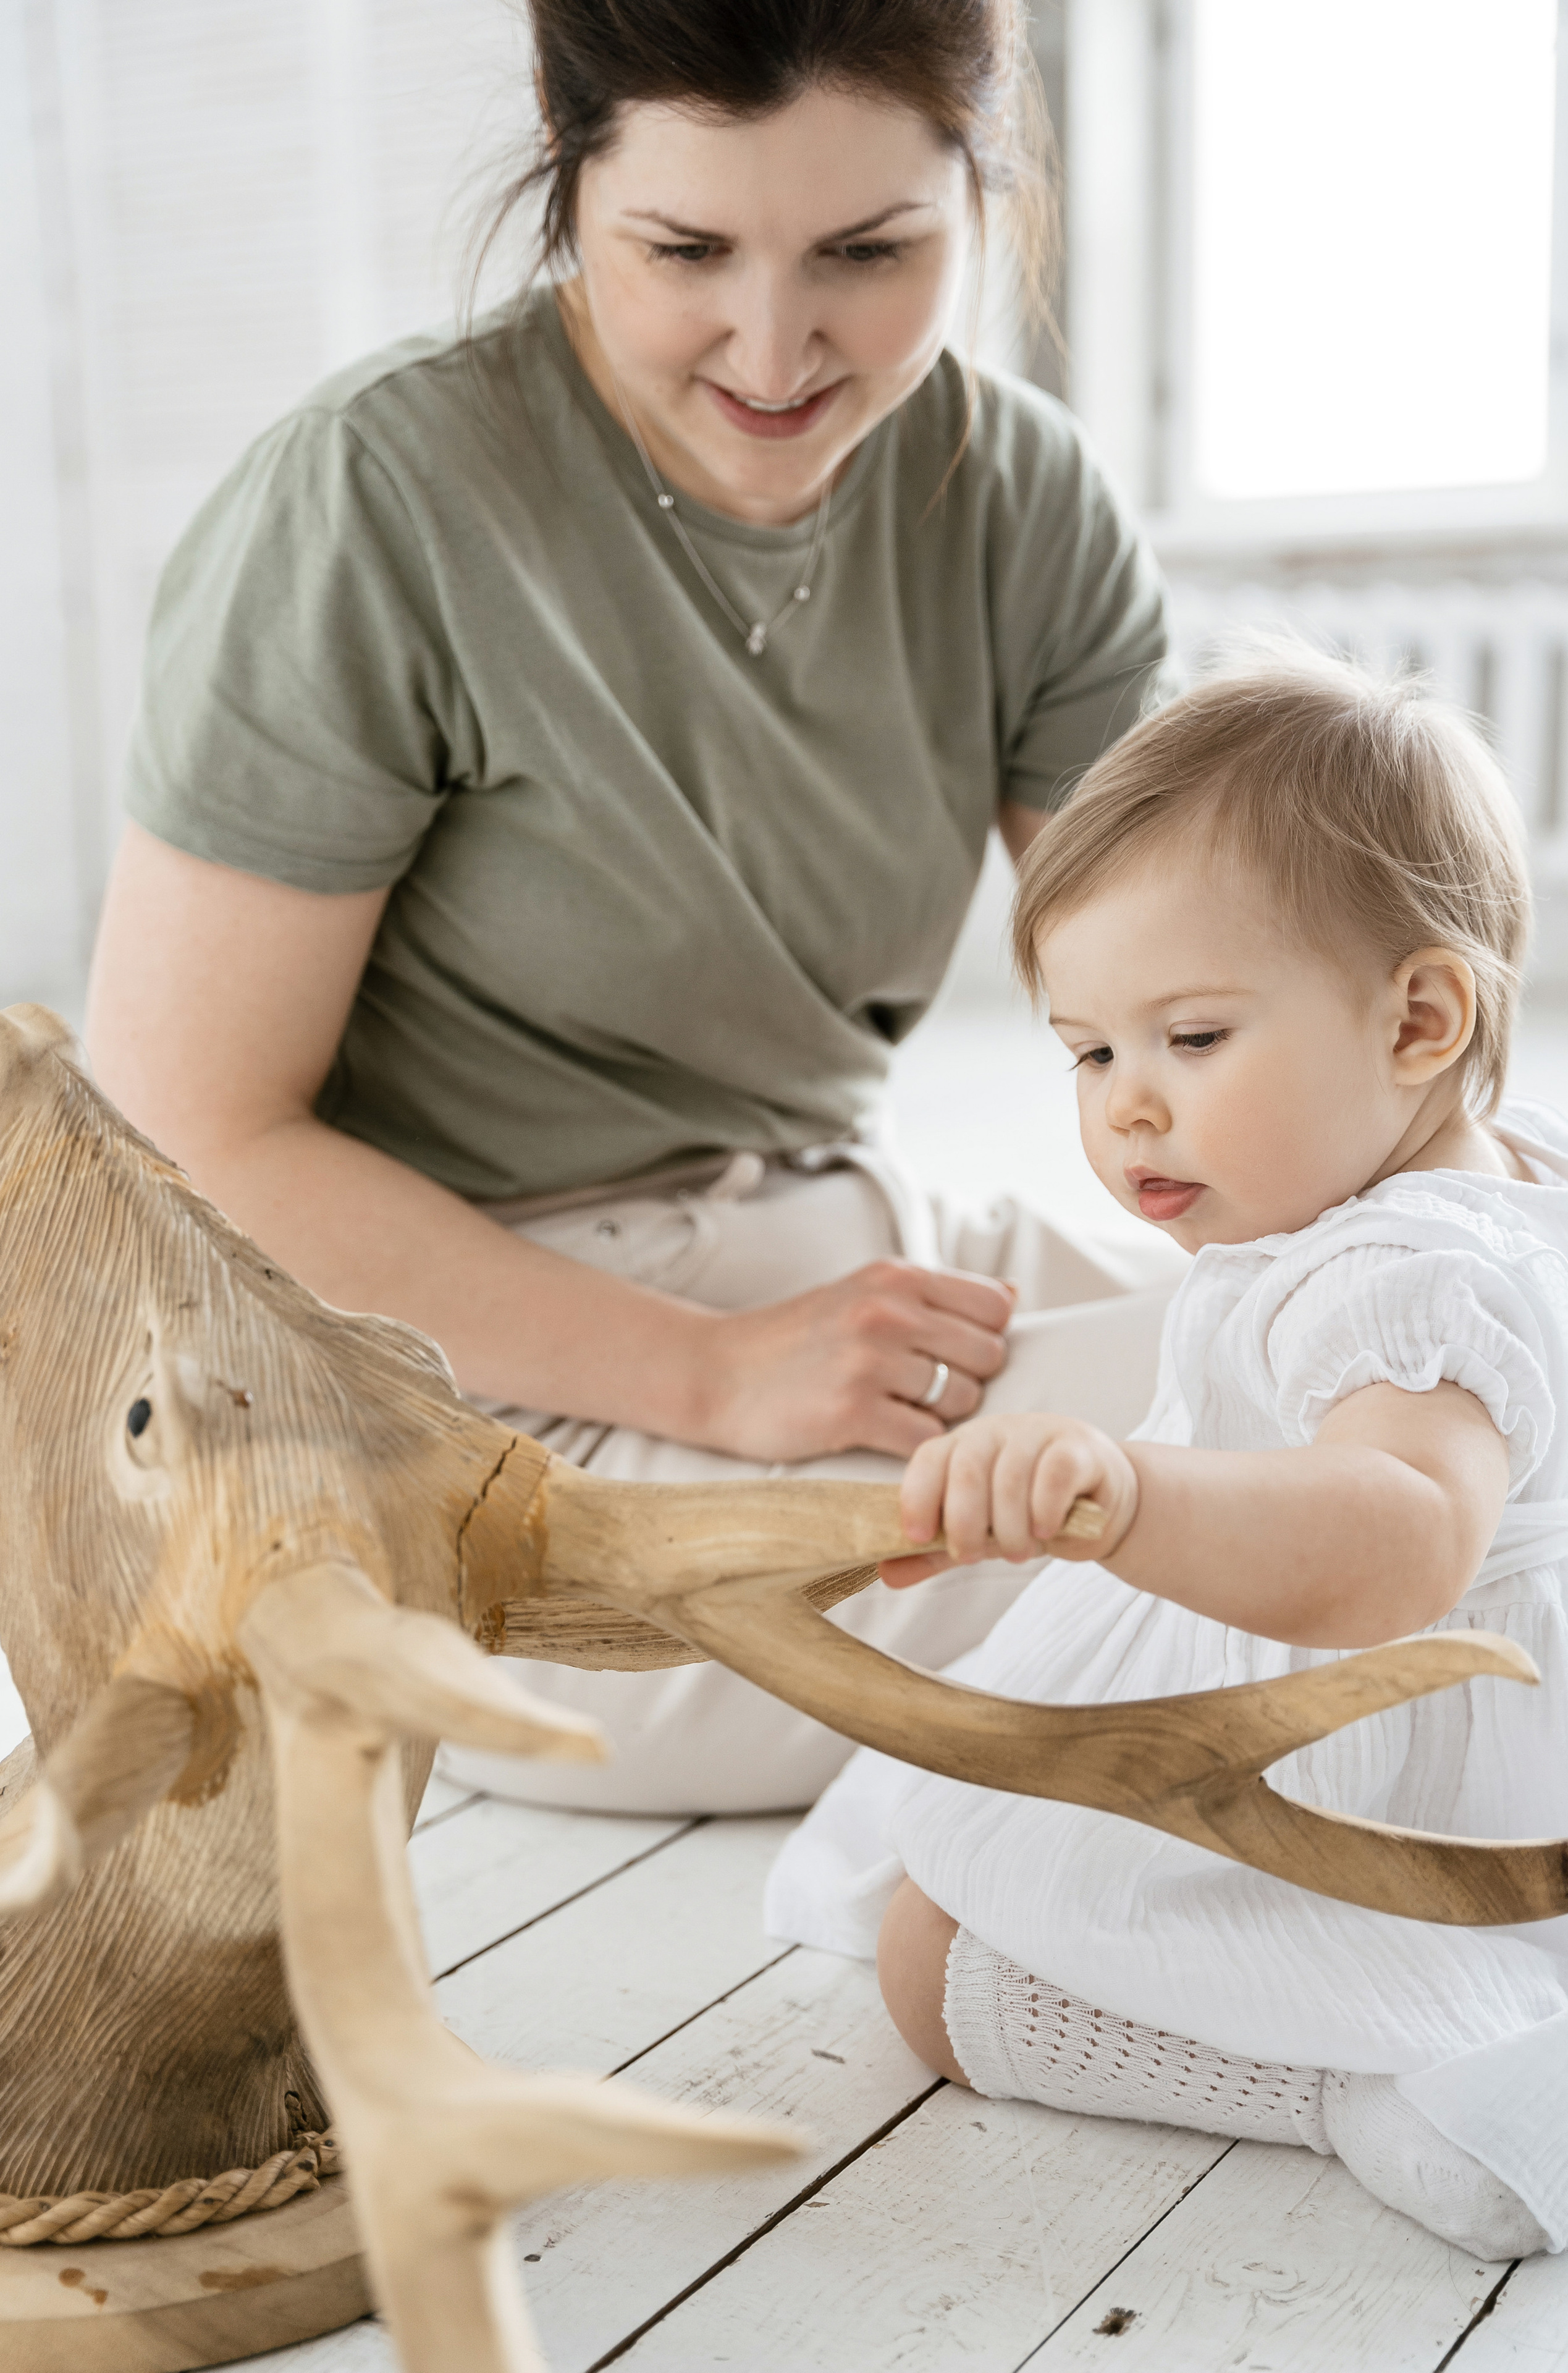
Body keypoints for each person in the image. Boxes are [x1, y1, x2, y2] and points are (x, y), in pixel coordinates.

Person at [84, 1, 1184, 1814]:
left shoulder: (1021, 500)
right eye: (686, 250)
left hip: (822, 1256)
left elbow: (1198, 986)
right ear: (569, 179)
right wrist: (712, 1375)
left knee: (1399, 1395)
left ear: (983, 202)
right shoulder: (377, 503)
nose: (774, 346)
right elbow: (187, 1150)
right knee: (1128, 1569)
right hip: (421, 1367)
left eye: (870, 253)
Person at [765, 649, 1568, 2257]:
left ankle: (1390, 2078)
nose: (1126, 1112)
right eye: (1089, 1052)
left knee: (940, 1965)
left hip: (1379, 1769)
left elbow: (1402, 1533)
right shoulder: (1508, 1180)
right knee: (930, 1855)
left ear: (1421, 1016)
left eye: (1192, 1040)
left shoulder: (1405, 1281)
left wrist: (1132, 1496)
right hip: (1480, 1746)